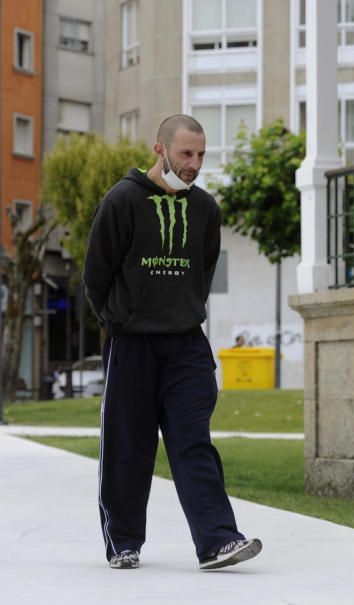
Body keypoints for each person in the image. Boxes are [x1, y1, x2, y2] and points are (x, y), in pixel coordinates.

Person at [83, 114, 261, 570]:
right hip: (132, 345)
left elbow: (201, 275)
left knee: (194, 443)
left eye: (200, 155)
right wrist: (121, 322)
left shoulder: (205, 209)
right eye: (186, 153)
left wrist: (181, 314)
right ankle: (123, 542)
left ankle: (218, 541)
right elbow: (96, 278)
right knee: (129, 446)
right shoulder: (122, 201)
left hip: (185, 346)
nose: (194, 164)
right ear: (159, 149)